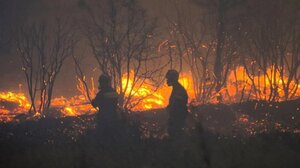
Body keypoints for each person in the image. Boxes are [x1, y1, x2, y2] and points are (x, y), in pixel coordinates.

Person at [165, 69, 188, 138]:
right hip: (176, 118)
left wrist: (170, 108)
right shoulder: (177, 89)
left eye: (168, 78)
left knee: (176, 136)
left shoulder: (179, 90)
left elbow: (178, 106)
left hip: (177, 119)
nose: (167, 81)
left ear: (172, 79)